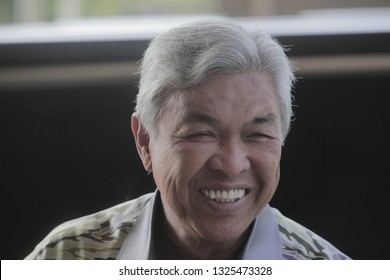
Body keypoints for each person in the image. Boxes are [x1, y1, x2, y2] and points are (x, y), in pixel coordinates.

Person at [25, 19, 350, 260]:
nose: (232, 164)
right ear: (145, 142)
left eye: (258, 135)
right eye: (201, 134)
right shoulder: (68, 255)